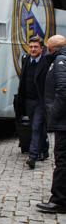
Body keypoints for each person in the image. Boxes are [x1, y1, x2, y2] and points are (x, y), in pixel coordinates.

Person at [37, 35, 66, 214]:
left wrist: (52, 114)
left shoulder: (60, 61)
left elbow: (63, 90)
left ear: (51, 48)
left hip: (63, 122)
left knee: (62, 161)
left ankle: (59, 201)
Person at [16, 36, 50, 169]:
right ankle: (44, 149)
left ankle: (32, 156)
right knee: (37, 127)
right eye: (31, 47)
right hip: (28, 101)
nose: (33, 49)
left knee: (36, 127)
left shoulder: (46, 61)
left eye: (35, 47)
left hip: (41, 101)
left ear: (41, 48)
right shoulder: (25, 59)